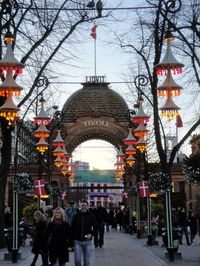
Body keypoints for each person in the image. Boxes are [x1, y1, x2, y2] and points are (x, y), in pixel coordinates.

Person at [71, 200, 97, 266]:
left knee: (87, 261)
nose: (83, 207)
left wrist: (91, 234)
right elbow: (72, 227)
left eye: (85, 205)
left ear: (87, 206)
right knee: (77, 260)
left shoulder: (91, 216)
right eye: (82, 205)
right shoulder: (76, 216)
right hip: (77, 241)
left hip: (87, 241)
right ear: (80, 206)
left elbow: (96, 227)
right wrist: (73, 237)